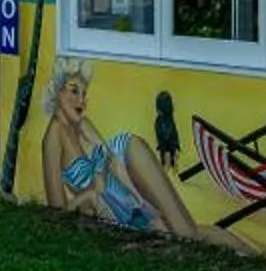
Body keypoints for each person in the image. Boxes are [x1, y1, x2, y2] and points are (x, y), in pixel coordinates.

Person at [38, 57, 194, 234]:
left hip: (123, 175)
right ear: (57, 91)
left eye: (84, 93)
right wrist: (88, 197)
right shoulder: (52, 139)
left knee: (182, 230)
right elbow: (57, 212)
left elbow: (108, 156)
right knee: (186, 232)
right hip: (115, 200)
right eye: (74, 91)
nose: (81, 100)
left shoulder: (81, 123)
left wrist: (109, 187)